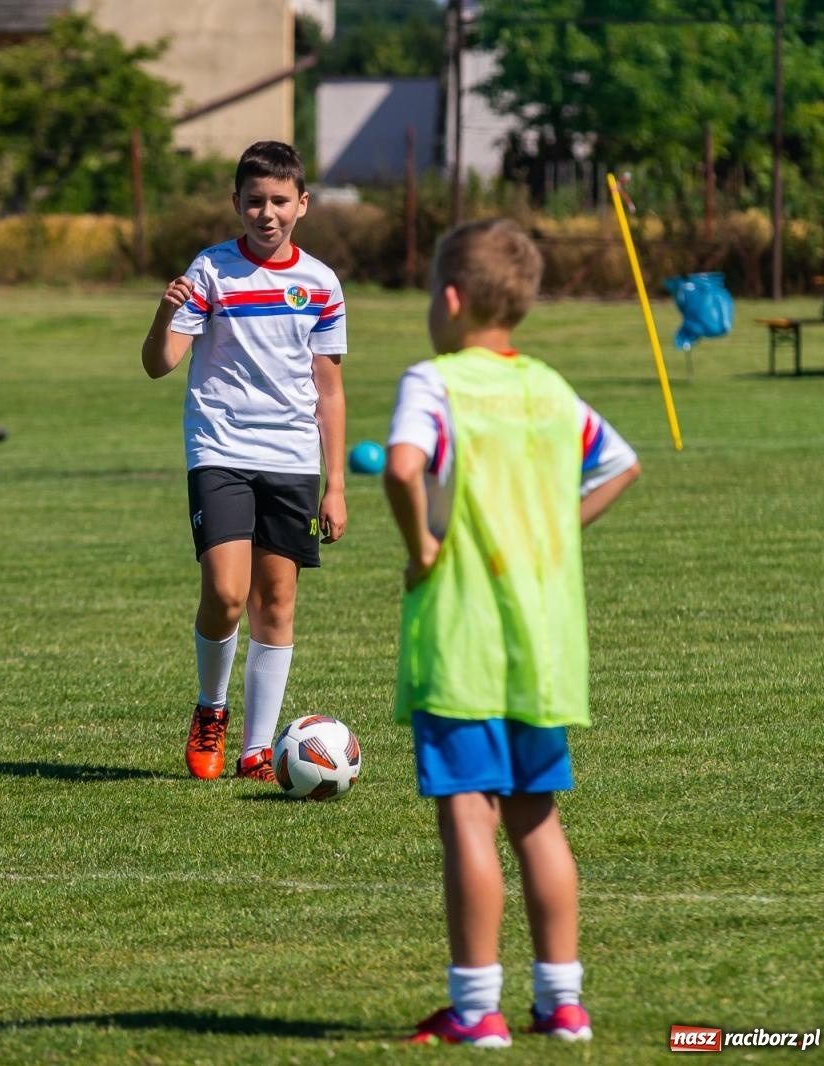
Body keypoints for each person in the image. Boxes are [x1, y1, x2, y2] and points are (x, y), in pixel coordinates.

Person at [383, 219, 640, 1046]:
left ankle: (475, 1010)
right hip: (544, 642)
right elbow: (621, 462)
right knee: (538, 817)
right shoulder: (552, 390)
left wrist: (423, 543)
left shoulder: (435, 381)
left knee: (469, 815)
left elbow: (400, 466)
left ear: (451, 300)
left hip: (464, 641)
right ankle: (564, 1003)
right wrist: (556, 530)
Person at [139, 140, 347, 783]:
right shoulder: (210, 272)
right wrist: (165, 312)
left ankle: (258, 751)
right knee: (227, 594)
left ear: (302, 205)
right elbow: (159, 364)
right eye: (254, 201)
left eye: (279, 201)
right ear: (236, 203)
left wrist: (335, 484)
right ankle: (211, 709)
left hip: (291, 457)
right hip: (221, 448)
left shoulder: (320, 283)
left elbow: (330, 390)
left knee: (277, 602)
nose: (266, 213)